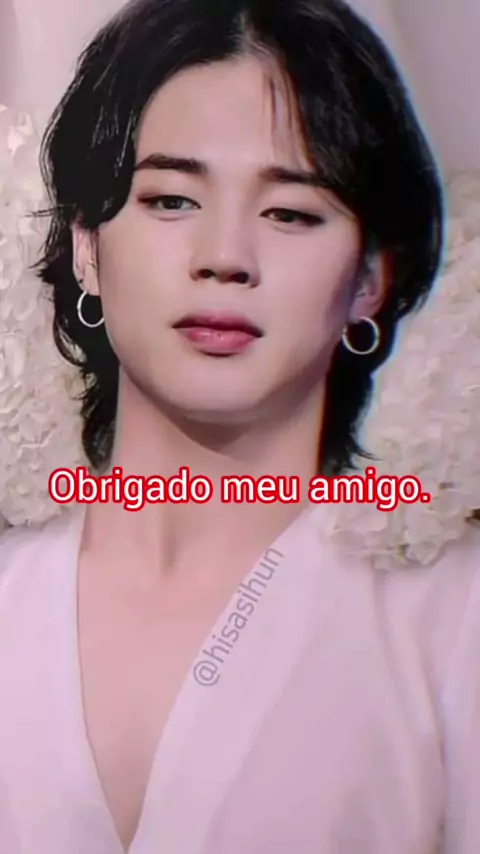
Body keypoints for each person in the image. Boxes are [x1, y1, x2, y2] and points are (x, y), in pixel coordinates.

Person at [0, 0, 479, 851]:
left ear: (371, 278)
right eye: (171, 199)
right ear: (86, 248)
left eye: (290, 212)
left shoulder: (450, 613)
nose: (224, 256)